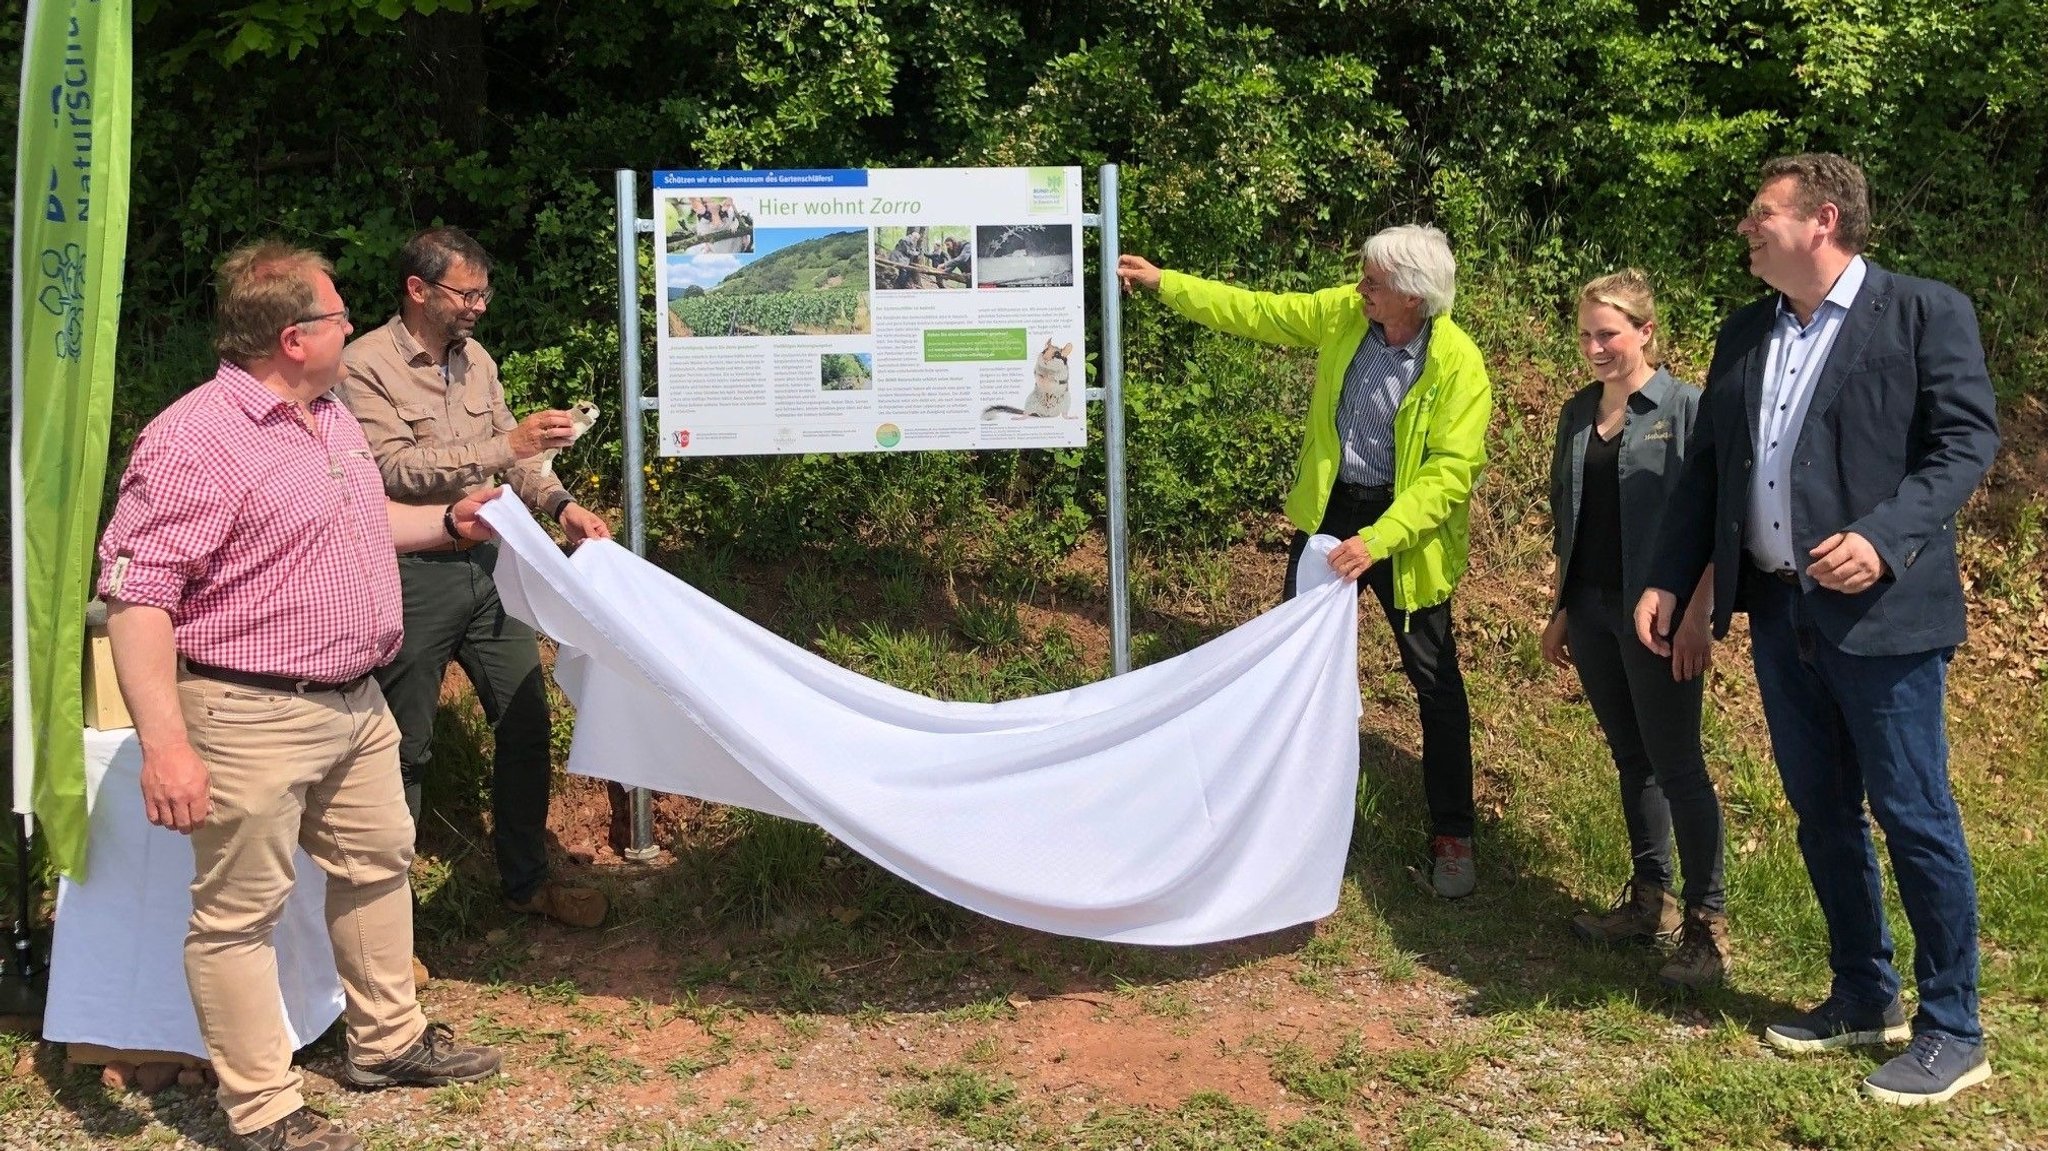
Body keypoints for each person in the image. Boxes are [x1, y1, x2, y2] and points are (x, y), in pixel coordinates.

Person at [98, 241, 503, 1151]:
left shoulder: (328, 417)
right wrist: (166, 743)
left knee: (378, 861)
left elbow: (364, 522)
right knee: (240, 914)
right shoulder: (193, 440)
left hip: (355, 703)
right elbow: (138, 597)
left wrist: (445, 522)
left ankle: (386, 1042)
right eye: (336, 316)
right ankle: (263, 1108)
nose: (352, 326)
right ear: (292, 337)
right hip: (248, 712)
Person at [1636, 153, 2000, 1104]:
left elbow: (1966, 442)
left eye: (1761, 214)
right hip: (1780, 607)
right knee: (1823, 811)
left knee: (1914, 814)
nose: (1746, 229)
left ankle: (1954, 1025)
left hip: (1884, 613)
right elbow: (1709, 471)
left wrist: (1883, 539)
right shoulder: (1747, 330)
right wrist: (1675, 579)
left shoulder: (1925, 312)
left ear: (1822, 219)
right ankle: (1862, 989)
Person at [1118, 225, 1493, 898]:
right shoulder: (1346, 316)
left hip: (1405, 534)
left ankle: (1453, 834)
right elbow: (1260, 311)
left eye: (1373, 281)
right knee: (1294, 668)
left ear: (1412, 295)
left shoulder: (1459, 364)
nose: (1360, 288)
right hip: (1331, 515)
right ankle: (1280, 816)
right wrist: (1163, 282)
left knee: (1435, 682)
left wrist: (1379, 539)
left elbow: (1450, 474)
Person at [338, 226, 612, 932]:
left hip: (491, 569)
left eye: (485, 292)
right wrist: (506, 443)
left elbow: (514, 462)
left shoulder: (478, 361)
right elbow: (391, 469)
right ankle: (385, 930)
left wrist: (562, 506)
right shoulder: (362, 364)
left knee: (525, 720)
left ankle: (526, 880)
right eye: (468, 292)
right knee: (403, 745)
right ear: (418, 289)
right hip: (409, 570)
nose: (479, 306)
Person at [1542, 270, 1729, 987]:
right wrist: (1562, 607)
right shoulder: (1576, 412)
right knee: (1633, 758)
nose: (1594, 347)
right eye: (1586, 334)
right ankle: (1648, 901)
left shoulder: (1686, 409)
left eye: (1609, 334)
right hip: (1591, 610)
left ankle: (1707, 930)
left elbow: (1717, 521)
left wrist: (1699, 613)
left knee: (1678, 763)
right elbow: (1572, 517)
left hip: (1662, 620)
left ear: (1646, 332)